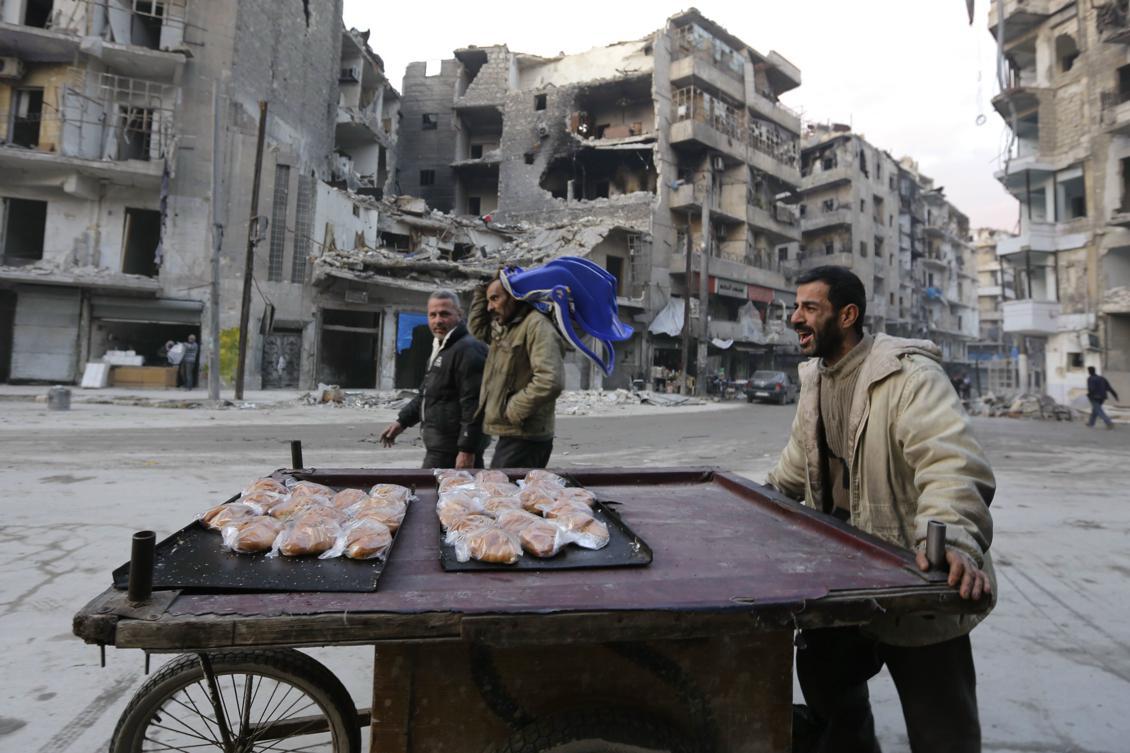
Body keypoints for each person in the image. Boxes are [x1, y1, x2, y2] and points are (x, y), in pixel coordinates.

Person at [767, 266, 995, 753]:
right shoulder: (814, 381)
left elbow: (951, 461)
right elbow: (792, 473)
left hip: (914, 579)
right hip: (838, 585)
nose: (795, 318)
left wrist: (951, 538)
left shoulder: (909, 375)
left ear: (847, 315)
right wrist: (749, 510)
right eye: (795, 306)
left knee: (943, 731)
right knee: (835, 710)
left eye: (810, 308)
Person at [380, 290, 489, 468]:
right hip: (440, 448)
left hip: (454, 452)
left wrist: (467, 450)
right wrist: (401, 422)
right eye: (433, 315)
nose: (438, 320)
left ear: (459, 315)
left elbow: (475, 405)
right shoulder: (442, 347)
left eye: (445, 314)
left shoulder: (468, 350)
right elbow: (427, 393)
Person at [469, 272, 565, 469]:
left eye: (495, 298)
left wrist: (513, 410)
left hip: (526, 436)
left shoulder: (537, 325)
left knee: (504, 494)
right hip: (515, 434)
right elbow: (477, 329)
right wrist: (482, 290)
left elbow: (550, 380)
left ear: (514, 296)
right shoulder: (510, 325)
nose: (490, 307)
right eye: (488, 301)